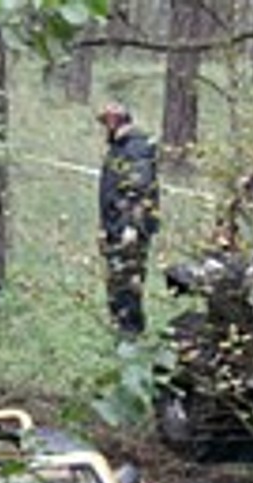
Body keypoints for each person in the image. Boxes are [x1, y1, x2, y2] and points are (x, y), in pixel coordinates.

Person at [96, 101, 160, 337]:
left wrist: (132, 226)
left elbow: (140, 189)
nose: (106, 126)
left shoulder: (137, 147)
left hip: (129, 230)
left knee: (128, 284)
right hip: (114, 227)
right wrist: (105, 228)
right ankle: (120, 331)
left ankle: (131, 335)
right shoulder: (117, 148)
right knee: (116, 283)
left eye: (108, 121)